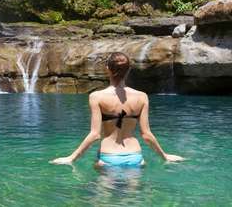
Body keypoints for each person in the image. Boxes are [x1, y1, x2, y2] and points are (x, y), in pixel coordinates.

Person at [51, 52, 184, 167]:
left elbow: (95, 134)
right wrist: (165, 156)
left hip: (109, 157)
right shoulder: (142, 97)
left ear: (107, 69)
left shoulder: (96, 97)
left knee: (104, 195)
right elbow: (146, 135)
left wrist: (71, 158)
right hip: (135, 157)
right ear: (128, 70)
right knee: (132, 197)